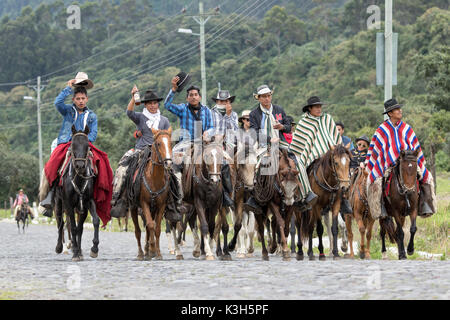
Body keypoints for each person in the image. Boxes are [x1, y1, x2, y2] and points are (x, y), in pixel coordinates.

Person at [38, 73, 113, 228]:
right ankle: (49, 196)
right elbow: (57, 103)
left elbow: (93, 133)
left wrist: (84, 141)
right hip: (67, 143)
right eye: (77, 99)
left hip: (84, 145)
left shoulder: (92, 115)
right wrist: (68, 88)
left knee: (103, 161)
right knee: (52, 163)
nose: (80, 101)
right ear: (74, 100)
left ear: (87, 99)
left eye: (82, 99)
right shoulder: (67, 110)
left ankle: (100, 195)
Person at [111, 86, 181, 222]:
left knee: (175, 173)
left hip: (159, 152)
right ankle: (120, 198)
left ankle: (175, 202)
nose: (153, 106)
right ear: (145, 105)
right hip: (142, 149)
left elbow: (166, 137)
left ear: (158, 104)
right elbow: (129, 112)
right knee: (123, 168)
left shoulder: (164, 120)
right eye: (150, 103)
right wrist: (133, 98)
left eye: (155, 103)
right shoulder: (140, 117)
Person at [365, 98, 436, 219]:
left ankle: (426, 205)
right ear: (390, 113)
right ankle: (380, 209)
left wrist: (413, 158)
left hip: (408, 161)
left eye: (399, 108)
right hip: (389, 165)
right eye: (396, 109)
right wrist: (369, 164)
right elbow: (375, 150)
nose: (399, 111)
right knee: (375, 182)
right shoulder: (382, 130)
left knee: (426, 176)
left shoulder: (406, 128)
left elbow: (415, 146)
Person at [288, 96, 352, 213]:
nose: (319, 109)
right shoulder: (304, 122)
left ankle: (343, 199)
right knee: (301, 166)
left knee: (344, 166)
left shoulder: (327, 119)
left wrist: (338, 150)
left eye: (320, 107)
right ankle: (305, 194)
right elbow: (298, 143)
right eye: (316, 107)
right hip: (311, 154)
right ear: (310, 109)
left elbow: (335, 137)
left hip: (331, 153)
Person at [164, 76, 214, 206]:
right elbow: (167, 105)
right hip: (185, 144)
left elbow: (212, 127)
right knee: (173, 164)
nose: (193, 97)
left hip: (203, 144)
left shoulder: (207, 111)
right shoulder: (182, 109)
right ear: (187, 98)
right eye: (191, 95)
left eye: (196, 95)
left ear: (200, 97)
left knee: (222, 162)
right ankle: (174, 195)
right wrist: (173, 90)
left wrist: (208, 133)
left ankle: (224, 196)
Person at [244, 85, 292, 213]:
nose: (267, 99)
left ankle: (302, 194)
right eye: (263, 96)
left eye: (268, 96)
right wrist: (269, 139)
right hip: (263, 145)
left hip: (281, 142)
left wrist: (282, 127)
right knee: (256, 165)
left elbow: (288, 126)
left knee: (296, 162)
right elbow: (254, 132)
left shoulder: (279, 109)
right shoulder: (254, 114)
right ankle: (255, 197)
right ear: (258, 98)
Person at [210, 90, 239, 208]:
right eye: (221, 101)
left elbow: (235, 131)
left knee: (246, 160)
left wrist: (228, 116)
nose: (224, 103)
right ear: (217, 101)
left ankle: (235, 191)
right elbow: (207, 128)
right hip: (212, 144)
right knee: (223, 163)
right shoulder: (210, 113)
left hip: (229, 144)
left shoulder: (234, 115)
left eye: (226, 101)